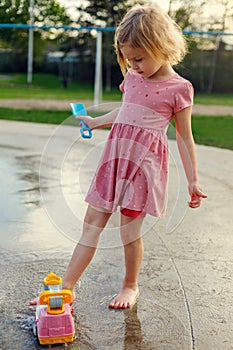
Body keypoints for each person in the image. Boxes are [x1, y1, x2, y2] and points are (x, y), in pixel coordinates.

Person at [62, 4, 207, 309]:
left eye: (139, 59)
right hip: (113, 162)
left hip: (143, 168)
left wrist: (193, 179)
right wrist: (95, 121)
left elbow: (184, 136)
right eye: (129, 60)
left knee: (129, 231)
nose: (134, 66)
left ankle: (130, 285)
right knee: (91, 223)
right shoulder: (133, 77)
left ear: (162, 47)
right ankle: (67, 287)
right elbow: (125, 110)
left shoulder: (179, 89)